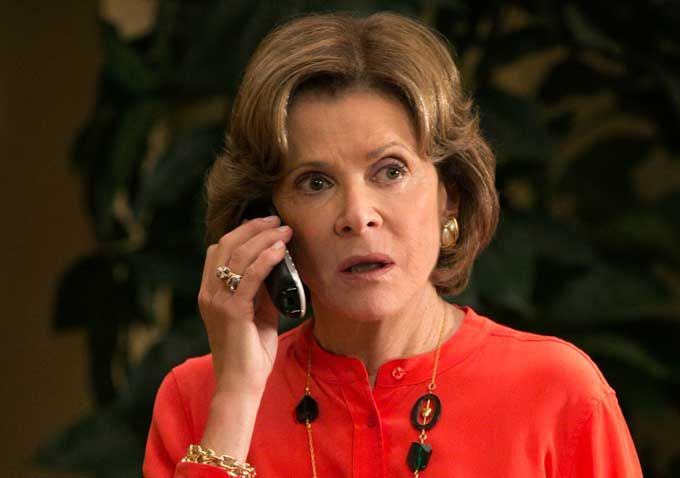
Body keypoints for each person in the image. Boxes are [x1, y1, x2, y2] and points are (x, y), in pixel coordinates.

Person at [143, 11, 642, 478]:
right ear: (266, 218)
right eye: (315, 183)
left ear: (450, 194)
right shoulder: (197, 398)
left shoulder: (559, 393)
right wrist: (235, 401)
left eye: (391, 171)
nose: (357, 216)